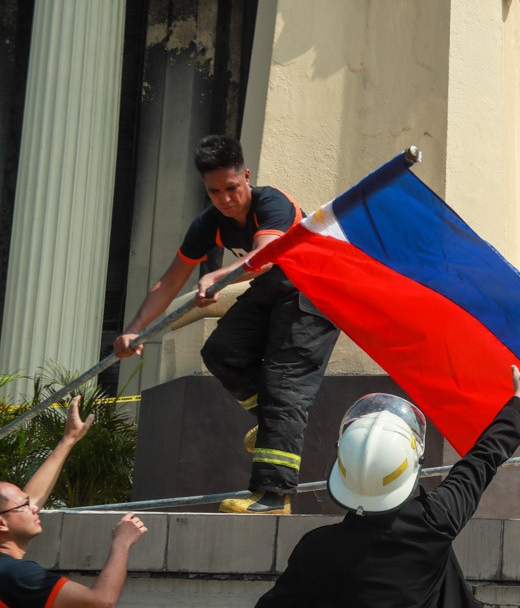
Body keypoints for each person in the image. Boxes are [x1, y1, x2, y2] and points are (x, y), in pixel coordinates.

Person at [113, 135, 340, 514]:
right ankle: (268, 420)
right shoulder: (209, 223)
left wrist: (217, 277)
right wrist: (134, 328)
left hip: (314, 294)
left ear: (246, 176)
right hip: (274, 291)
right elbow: (169, 282)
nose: (226, 199)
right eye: (215, 191)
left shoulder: (274, 203)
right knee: (222, 351)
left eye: (232, 188)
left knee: (283, 382)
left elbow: (264, 256)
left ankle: (272, 496)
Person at [255, 347, 520, 608]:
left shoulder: (316, 551)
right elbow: (482, 459)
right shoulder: (434, 522)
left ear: (342, 470)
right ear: (411, 465)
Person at [0, 397, 148, 607]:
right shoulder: (17, 574)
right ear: (2, 524)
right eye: (25, 506)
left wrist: (68, 440)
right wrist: (122, 543)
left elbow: (26, 499)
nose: (34, 508)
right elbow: (100, 602)